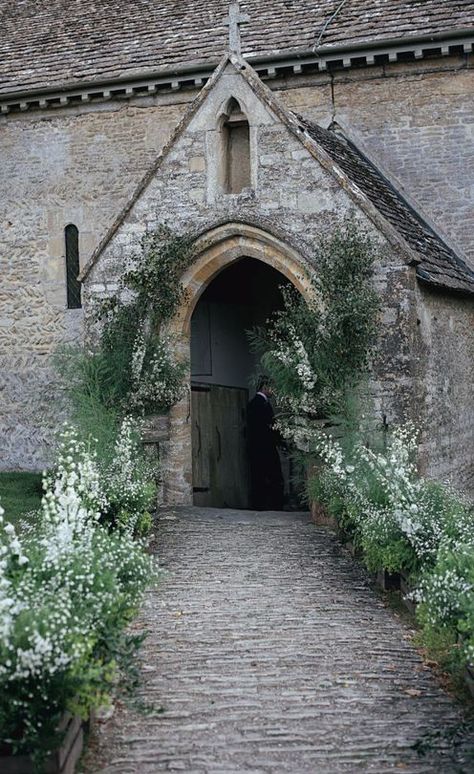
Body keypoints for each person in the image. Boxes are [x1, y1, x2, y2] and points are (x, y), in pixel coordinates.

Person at [247, 377, 284, 511]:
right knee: (272, 476)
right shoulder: (260, 404)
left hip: (257, 447)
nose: (274, 391)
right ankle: (272, 505)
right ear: (265, 387)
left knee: (260, 476)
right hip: (264, 447)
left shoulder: (255, 403)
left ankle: (261, 504)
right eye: (272, 388)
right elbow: (267, 427)